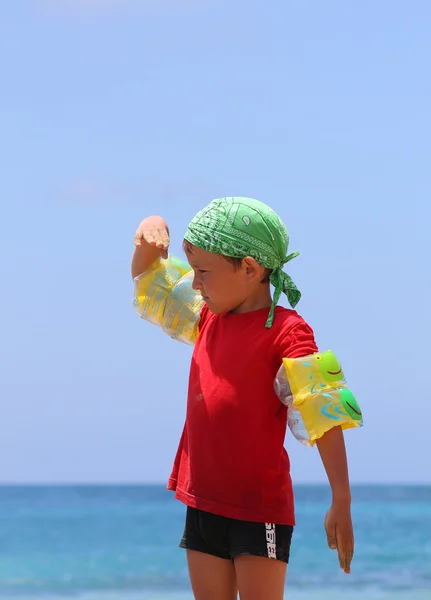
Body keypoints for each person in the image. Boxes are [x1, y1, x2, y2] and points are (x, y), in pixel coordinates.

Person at [131, 197, 361, 600]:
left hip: (258, 511)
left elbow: (324, 410)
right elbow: (150, 279)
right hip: (201, 500)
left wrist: (340, 497)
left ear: (250, 269)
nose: (195, 283)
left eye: (203, 271)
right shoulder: (207, 318)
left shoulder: (288, 332)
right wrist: (151, 227)